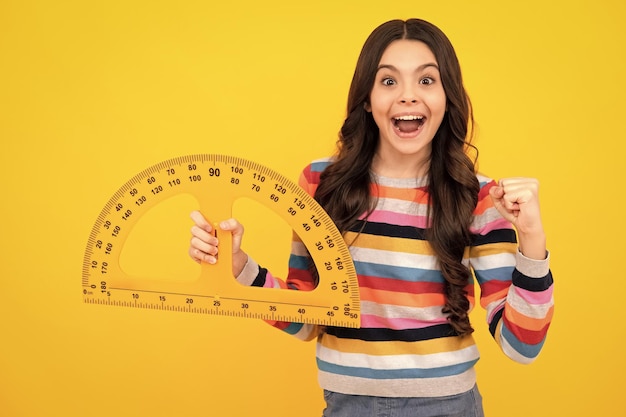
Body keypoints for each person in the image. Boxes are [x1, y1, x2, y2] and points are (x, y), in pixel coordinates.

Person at [188, 18, 554, 417]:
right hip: (346, 405)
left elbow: (521, 346)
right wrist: (239, 266)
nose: (408, 97)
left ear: (448, 96)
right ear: (366, 98)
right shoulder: (320, 183)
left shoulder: (480, 197)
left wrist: (532, 240)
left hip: (449, 406)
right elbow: (307, 319)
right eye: (389, 81)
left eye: (427, 81)